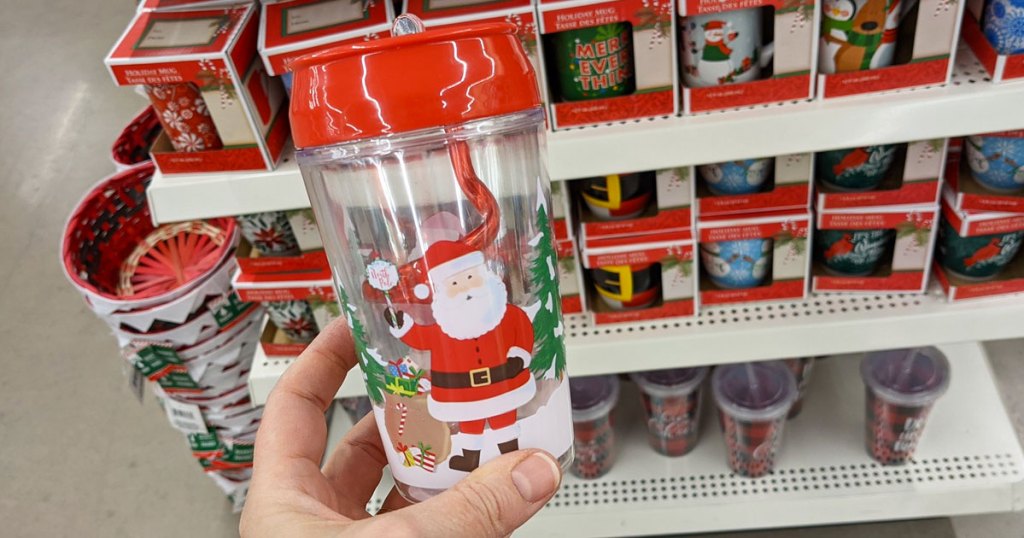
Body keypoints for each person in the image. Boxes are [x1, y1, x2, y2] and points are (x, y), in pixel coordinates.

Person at [240, 318, 562, 537]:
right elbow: (423, 338)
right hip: (463, 393)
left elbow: (521, 327)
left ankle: (510, 450)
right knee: (473, 424)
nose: (464, 286)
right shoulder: (445, 327)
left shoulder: (501, 314)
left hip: (503, 383)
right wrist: (402, 323)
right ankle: (472, 455)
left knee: (504, 420)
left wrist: (519, 352)